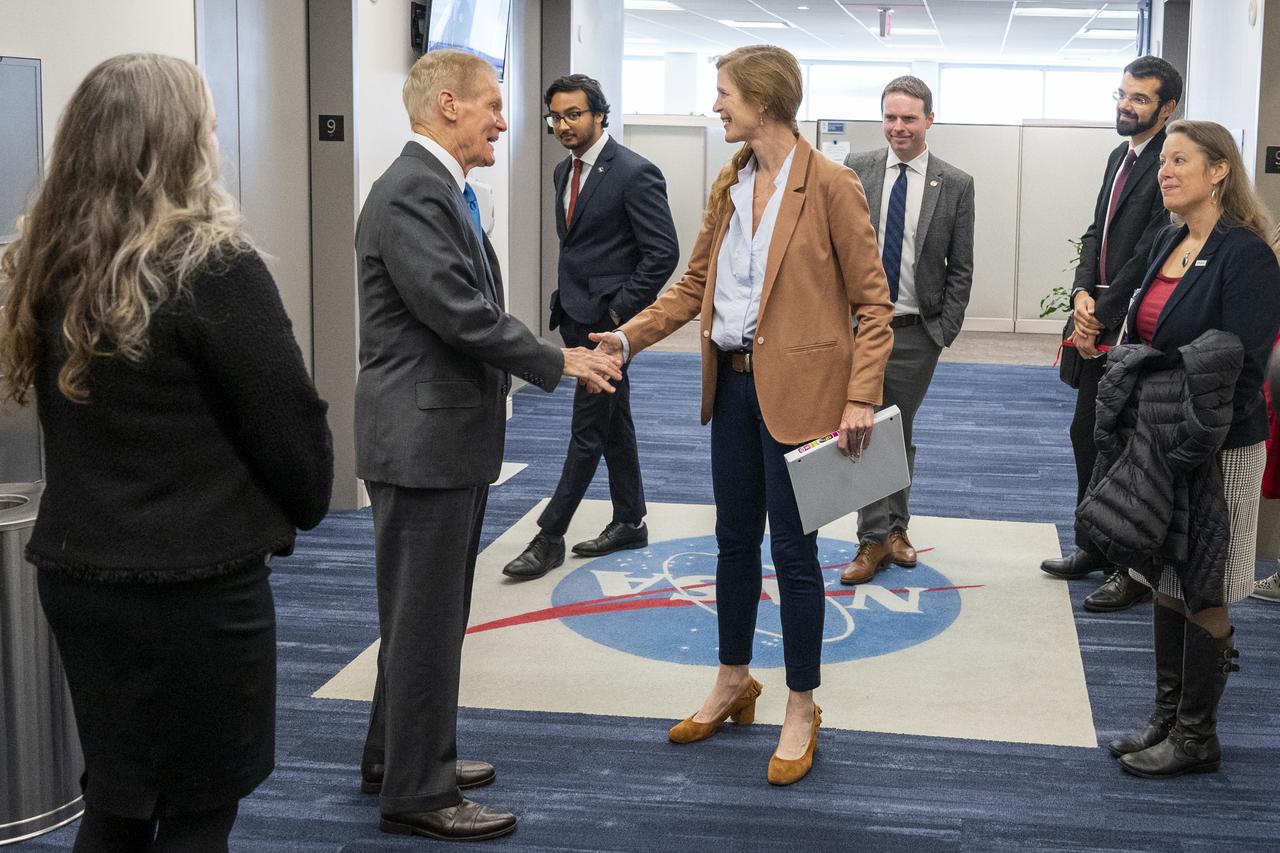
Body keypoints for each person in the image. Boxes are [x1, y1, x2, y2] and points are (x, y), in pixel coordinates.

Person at [0, 54, 334, 851]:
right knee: (197, 812)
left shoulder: (47, 262)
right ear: (177, 144)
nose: (217, 140)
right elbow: (292, 434)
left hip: (80, 577)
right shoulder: (213, 267)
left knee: (117, 801)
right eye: (209, 126)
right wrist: (300, 501)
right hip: (196, 592)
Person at [592, 44, 893, 786]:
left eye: (724, 93)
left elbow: (874, 305)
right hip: (731, 391)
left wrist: (860, 395)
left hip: (804, 398)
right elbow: (692, 285)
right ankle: (733, 678)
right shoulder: (732, 184)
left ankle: (802, 703)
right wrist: (628, 338)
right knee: (732, 542)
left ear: (763, 99)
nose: (716, 105)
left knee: (793, 553)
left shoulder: (832, 185)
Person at [353, 50, 620, 841]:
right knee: (426, 619)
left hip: (440, 436)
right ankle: (419, 791)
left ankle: (396, 757)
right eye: (493, 106)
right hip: (422, 441)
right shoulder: (413, 190)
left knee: (423, 615)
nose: (506, 122)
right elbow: (456, 309)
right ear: (448, 105)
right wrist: (556, 358)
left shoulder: (436, 188)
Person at [1077, 120, 1280, 778]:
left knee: (1205, 586)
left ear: (1219, 170)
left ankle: (1197, 736)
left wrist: (1192, 434)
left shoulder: (1246, 255)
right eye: (1163, 160)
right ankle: (1166, 717)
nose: (1164, 171)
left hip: (1218, 449)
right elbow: (1145, 334)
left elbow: (1244, 371)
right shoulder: (1169, 239)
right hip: (1161, 440)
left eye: (1180, 160)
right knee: (1165, 576)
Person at [502, 73, 679, 580]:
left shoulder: (634, 172)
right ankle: (630, 520)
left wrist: (619, 315)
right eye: (556, 117)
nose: (563, 125)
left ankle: (549, 535)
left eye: (574, 114)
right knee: (612, 421)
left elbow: (662, 252)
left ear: (600, 115)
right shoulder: (564, 170)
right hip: (574, 319)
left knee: (587, 428)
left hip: (607, 329)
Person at [1040, 55, 1183, 614]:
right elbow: (1095, 232)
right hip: (1099, 317)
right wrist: (1080, 293)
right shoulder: (1118, 157)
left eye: (1140, 98)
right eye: (1122, 94)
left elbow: (1150, 249)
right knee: (1088, 434)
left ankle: (1132, 568)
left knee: (1127, 447)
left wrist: (1099, 311)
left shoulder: (1168, 161)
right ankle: (1094, 545)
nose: (1125, 105)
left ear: (1167, 109)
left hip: (1135, 326)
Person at [839, 76, 975, 584]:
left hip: (917, 332)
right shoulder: (857, 170)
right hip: (859, 328)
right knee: (868, 427)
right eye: (890, 117)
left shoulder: (955, 183)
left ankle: (894, 529)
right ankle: (875, 537)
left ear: (929, 120)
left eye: (909, 118)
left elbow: (961, 265)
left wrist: (944, 330)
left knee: (897, 428)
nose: (898, 127)